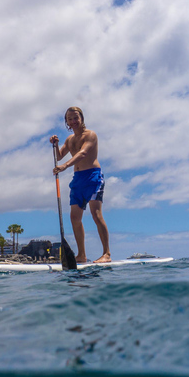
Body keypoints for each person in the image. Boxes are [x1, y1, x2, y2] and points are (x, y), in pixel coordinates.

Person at [50, 107, 111, 264]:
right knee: (74, 218)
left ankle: (106, 254)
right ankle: (81, 255)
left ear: (82, 118)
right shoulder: (70, 140)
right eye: (70, 119)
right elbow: (59, 155)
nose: (73, 121)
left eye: (75, 118)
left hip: (92, 177)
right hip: (77, 180)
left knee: (96, 214)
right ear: (67, 122)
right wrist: (56, 144)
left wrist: (64, 166)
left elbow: (82, 153)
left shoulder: (90, 135)